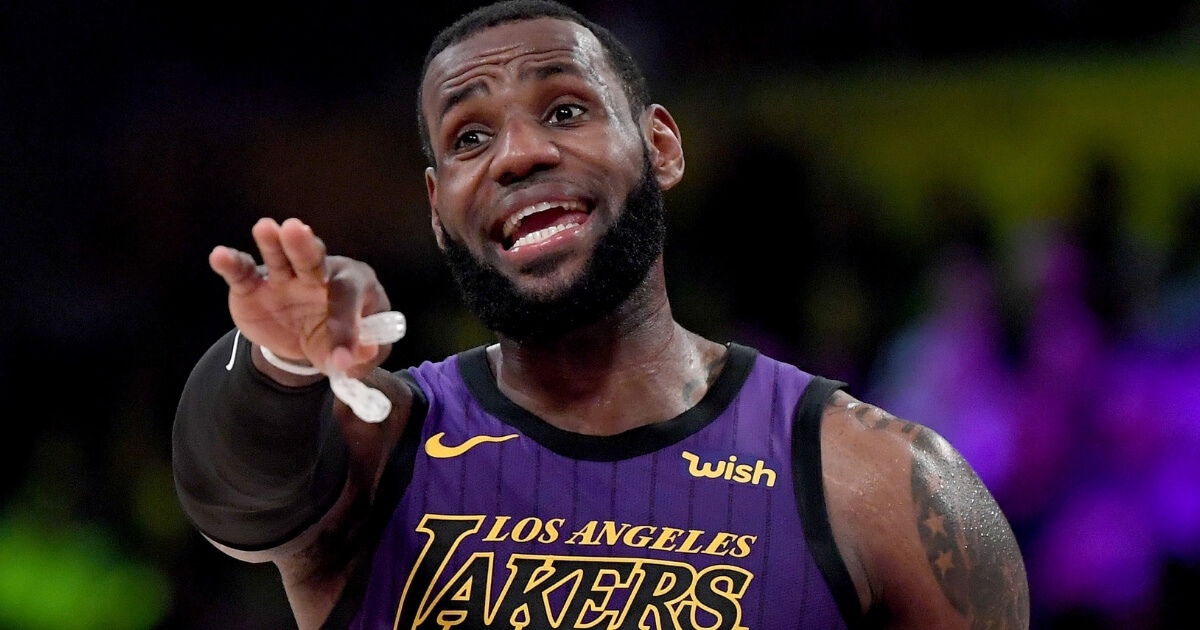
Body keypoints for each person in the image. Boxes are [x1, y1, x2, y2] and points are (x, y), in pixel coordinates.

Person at [172, 1, 1031, 628]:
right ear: (438, 210)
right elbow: (236, 506)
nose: (519, 153)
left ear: (660, 146)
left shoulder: (878, 482)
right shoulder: (379, 447)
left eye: (565, 110)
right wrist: (282, 365)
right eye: (470, 137)